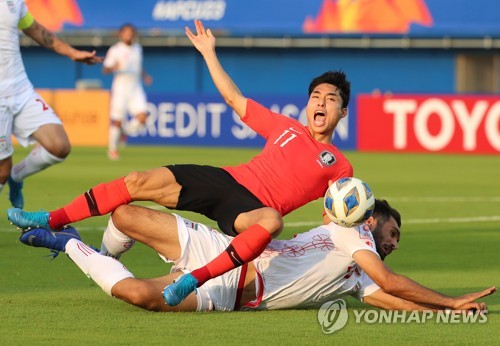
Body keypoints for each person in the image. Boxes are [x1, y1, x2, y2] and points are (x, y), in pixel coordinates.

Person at [7, 19, 353, 307]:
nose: (321, 103)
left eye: (330, 99)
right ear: (307, 103)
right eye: (315, 97)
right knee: (138, 180)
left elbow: (333, 219)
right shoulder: (286, 126)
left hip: (250, 210)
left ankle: (193, 279)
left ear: (342, 111)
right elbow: (234, 98)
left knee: (271, 220)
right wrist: (208, 52)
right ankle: (52, 219)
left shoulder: (340, 166)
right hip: (225, 180)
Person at [15, 200, 494, 313]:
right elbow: (389, 282)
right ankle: (92, 243)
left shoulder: (356, 274)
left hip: (229, 291)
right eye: (392, 232)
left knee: (136, 293)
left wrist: (447, 314)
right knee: (126, 214)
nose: (393, 243)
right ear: (371, 220)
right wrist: (451, 300)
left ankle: (67, 244)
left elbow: (382, 296)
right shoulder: (352, 237)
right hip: (226, 253)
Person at [0, 0, 102, 209]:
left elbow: (36, 30)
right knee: (2, 166)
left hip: (21, 89)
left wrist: (72, 53)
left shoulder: (14, 3)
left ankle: (16, 177)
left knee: (59, 146)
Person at [102, 23, 152, 160]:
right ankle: (112, 150)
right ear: (121, 34)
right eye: (126, 33)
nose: (129, 35)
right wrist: (113, 67)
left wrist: (145, 76)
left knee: (143, 117)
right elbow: (105, 69)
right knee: (117, 120)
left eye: (131, 33)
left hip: (135, 88)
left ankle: (126, 131)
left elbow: (138, 66)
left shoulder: (138, 48)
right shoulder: (115, 50)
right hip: (120, 88)